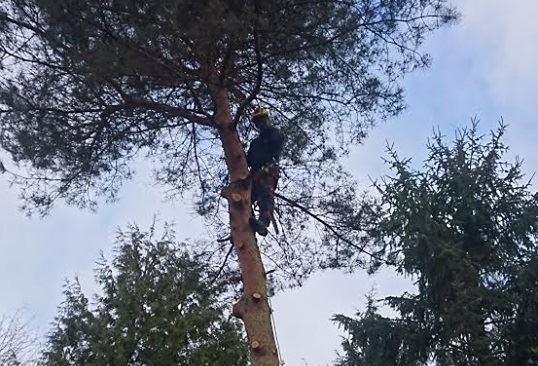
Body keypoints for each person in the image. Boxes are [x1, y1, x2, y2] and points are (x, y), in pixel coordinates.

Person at [247, 107, 285, 236]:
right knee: (245, 198)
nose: (261, 123)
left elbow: (277, 142)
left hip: (268, 169)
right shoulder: (254, 143)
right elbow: (248, 161)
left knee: (266, 195)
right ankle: (246, 224)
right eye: (258, 122)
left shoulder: (274, 133)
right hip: (254, 173)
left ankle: (263, 223)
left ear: (268, 119)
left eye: (263, 120)